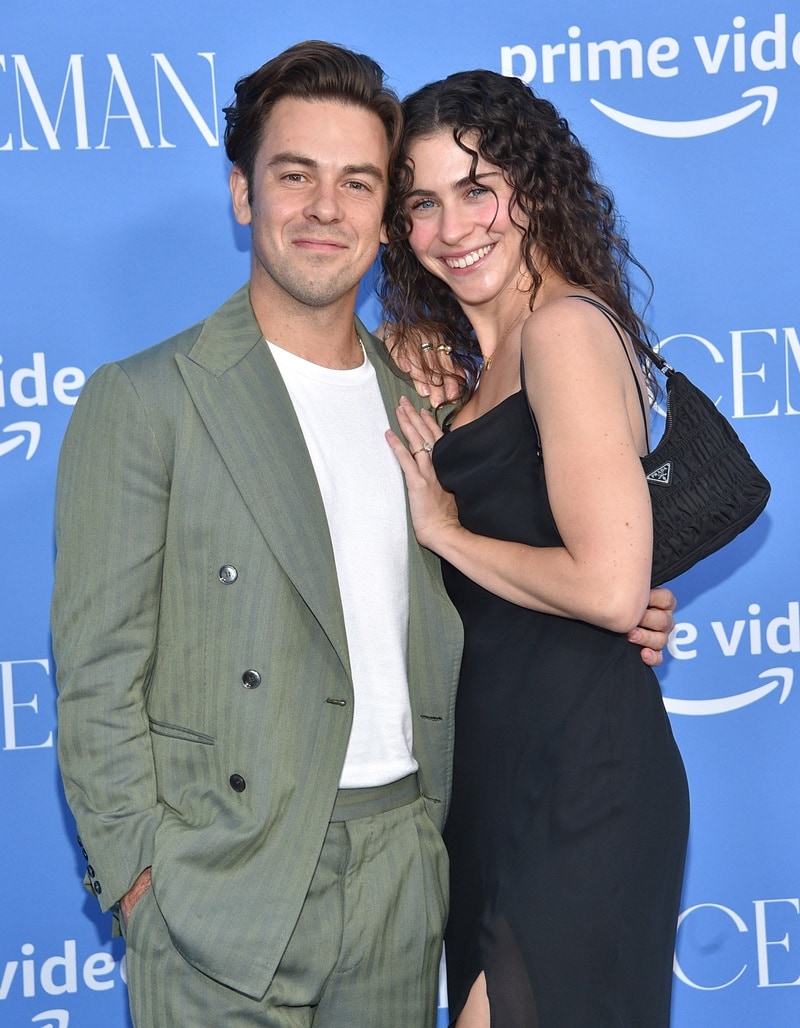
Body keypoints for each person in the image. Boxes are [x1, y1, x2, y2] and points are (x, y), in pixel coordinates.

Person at [51, 41, 675, 1028]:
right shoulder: (146, 398)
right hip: (225, 880)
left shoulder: (422, 398)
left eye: (356, 182)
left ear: (377, 216)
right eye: (292, 175)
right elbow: (95, 668)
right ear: (242, 194)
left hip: (406, 869)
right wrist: (139, 878)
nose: (323, 207)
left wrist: (618, 603)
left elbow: (537, 563)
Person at [382, 70, 689, 1027]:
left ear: (535, 186)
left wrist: (445, 529)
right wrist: (400, 352)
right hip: (485, 780)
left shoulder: (562, 330)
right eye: (423, 203)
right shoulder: (464, 365)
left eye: (479, 189)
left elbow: (606, 587)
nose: (453, 227)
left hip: (582, 780)